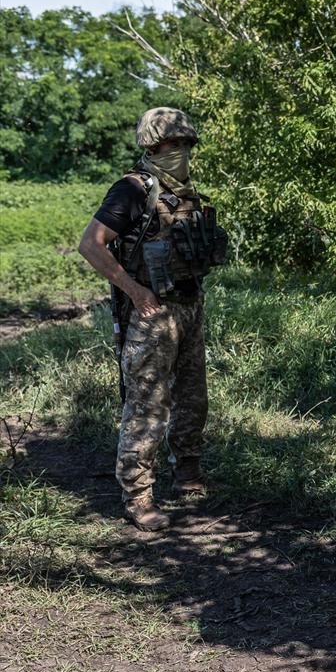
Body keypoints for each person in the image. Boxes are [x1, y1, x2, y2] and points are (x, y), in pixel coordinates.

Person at [77, 107, 227, 532]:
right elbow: (91, 244)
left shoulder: (187, 192)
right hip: (152, 313)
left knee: (193, 397)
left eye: (185, 144)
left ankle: (188, 473)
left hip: (189, 306)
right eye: (170, 144)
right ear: (152, 146)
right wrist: (135, 290)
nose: (179, 151)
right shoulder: (132, 190)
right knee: (147, 405)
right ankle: (138, 496)